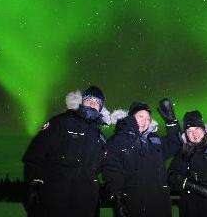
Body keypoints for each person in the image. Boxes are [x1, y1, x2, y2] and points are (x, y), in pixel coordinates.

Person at [22, 85, 110, 217]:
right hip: (53, 200)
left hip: (84, 205)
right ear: (81, 102)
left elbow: (103, 169)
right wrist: (33, 185)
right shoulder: (61, 122)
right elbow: (35, 154)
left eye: (97, 102)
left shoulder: (100, 137)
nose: (93, 103)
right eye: (89, 99)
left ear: (101, 108)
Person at [104, 99, 181, 217]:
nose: (144, 121)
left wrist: (171, 122)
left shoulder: (154, 140)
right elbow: (111, 170)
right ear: (131, 117)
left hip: (160, 206)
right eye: (140, 116)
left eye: (148, 119)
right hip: (133, 206)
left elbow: (175, 144)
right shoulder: (118, 140)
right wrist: (118, 198)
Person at [168, 110, 207, 217]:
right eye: (189, 131)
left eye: (197, 128)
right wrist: (183, 181)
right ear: (186, 134)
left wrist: (186, 181)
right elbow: (171, 175)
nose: (194, 133)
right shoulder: (183, 152)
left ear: (204, 130)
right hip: (189, 210)